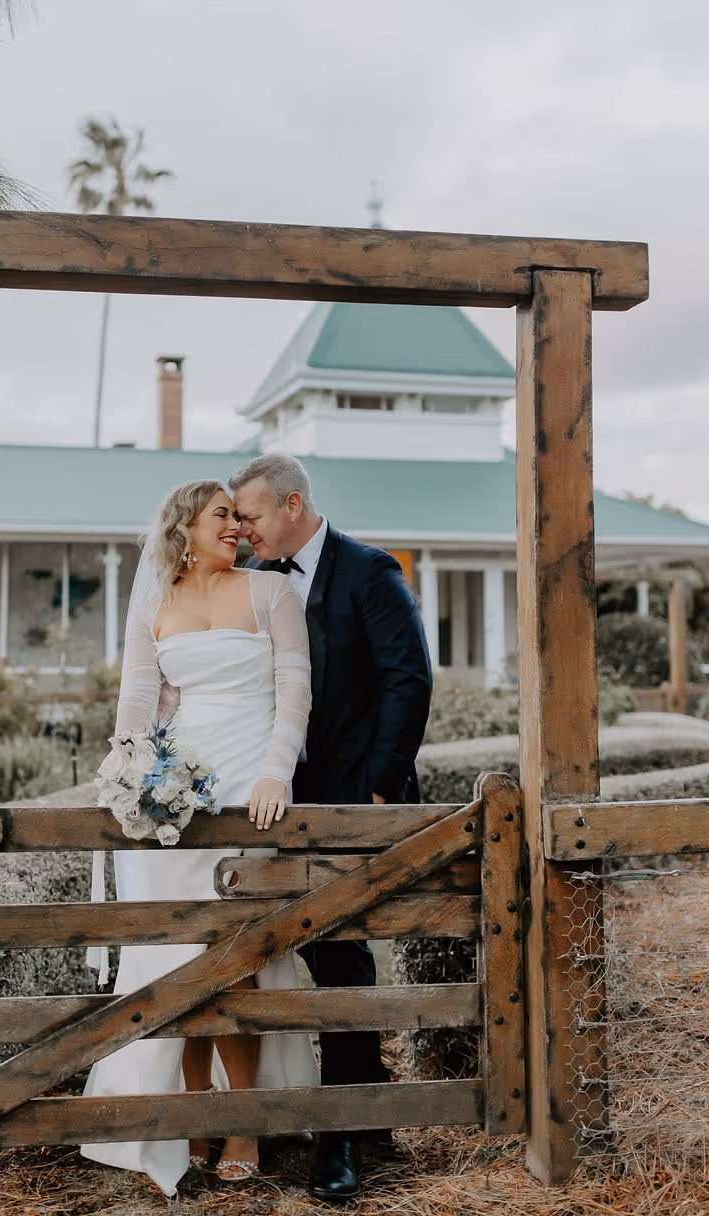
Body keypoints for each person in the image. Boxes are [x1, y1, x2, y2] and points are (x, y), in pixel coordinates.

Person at [81, 479, 318, 1197]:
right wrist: (130, 779)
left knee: (238, 957)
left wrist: (277, 774)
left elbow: (294, 687)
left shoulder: (272, 594)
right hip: (175, 795)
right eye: (224, 515)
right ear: (185, 525)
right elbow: (136, 705)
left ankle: (243, 1122)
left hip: (251, 788)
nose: (238, 527)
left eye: (240, 517)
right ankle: (192, 1116)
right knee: (179, 960)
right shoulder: (155, 603)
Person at [229, 452, 433, 1206]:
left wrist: (379, 790)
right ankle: (369, 1107)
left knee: (342, 958)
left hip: (354, 799)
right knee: (305, 951)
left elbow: (407, 681)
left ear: (291, 504)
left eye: (249, 515)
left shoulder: (369, 572)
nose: (241, 529)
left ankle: (343, 1136)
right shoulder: (250, 581)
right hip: (273, 801)